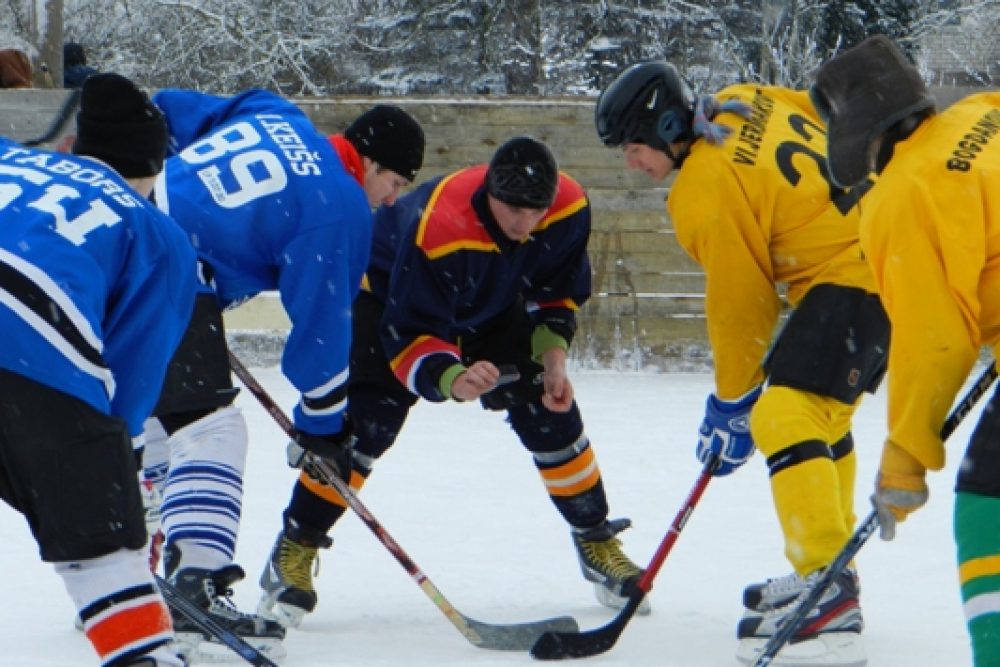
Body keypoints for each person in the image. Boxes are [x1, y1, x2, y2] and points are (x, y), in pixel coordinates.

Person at [258, 135, 648, 629]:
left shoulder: (568, 208)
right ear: (489, 194)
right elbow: (410, 334)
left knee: (550, 408)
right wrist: (452, 378)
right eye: (513, 211)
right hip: (388, 296)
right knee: (366, 425)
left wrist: (552, 359)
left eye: (536, 211)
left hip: (491, 298)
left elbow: (555, 292)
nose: (525, 224)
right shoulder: (439, 226)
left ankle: (595, 539)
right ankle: (296, 545)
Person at [595, 62, 890, 664]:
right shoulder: (740, 100)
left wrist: (733, 401)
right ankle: (833, 573)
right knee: (822, 419)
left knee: (781, 415)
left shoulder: (701, 187)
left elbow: (741, 301)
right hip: (892, 248)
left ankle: (828, 597)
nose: (630, 163)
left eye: (632, 148)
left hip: (855, 275)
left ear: (668, 126)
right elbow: (821, 111)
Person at [145, 89, 425, 657]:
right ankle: (195, 582)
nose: (388, 201)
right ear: (370, 163)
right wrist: (322, 425)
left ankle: (124, 582)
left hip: (114, 231)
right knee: (211, 429)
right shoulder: (339, 205)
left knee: (152, 418)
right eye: (394, 184)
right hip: (165, 268)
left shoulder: (275, 114)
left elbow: (164, 107)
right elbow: (321, 332)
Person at [811, 34, 1000, 667]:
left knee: (987, 502)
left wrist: (903, 463)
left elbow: (936, 337)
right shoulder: (983, 113)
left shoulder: (905, 191)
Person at [0, 72, 197, 666]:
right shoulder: (154, 231)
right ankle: (142, 654)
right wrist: (116, 466)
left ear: (74, 145)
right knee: (99, 543)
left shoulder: (10, 157)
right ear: (151, 173)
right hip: (29, 344)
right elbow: (130, 387)